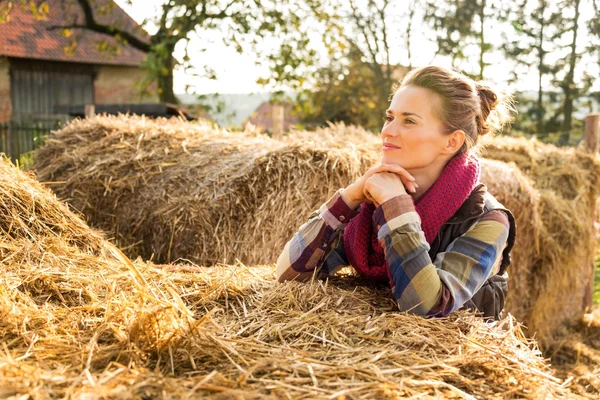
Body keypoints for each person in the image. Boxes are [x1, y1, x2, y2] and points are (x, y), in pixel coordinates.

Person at [275, 65, 516, 320]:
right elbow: (288, 274)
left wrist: (396, 207)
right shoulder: (368, 204)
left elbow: (427, 307)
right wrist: (349, 199)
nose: (387, 131)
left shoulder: (488, 219)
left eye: (409, 121)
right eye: (390, 117)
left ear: (451, 141)